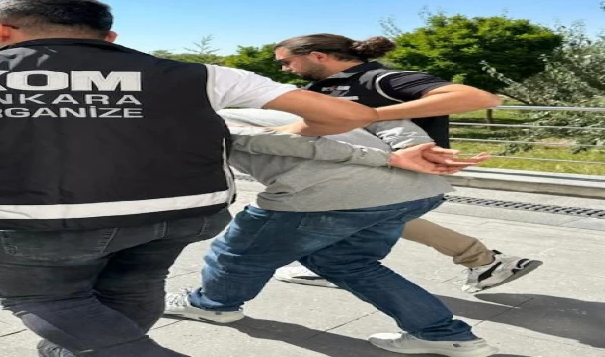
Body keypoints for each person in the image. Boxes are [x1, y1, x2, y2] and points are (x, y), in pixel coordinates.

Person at [0, 0, 380, 357]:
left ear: (1, 31)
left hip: (30, 222)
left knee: (49, 300)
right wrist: (298, 129)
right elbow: (348, 116)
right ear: (110, 38)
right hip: (177, 214)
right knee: (135, 286)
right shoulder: (203, 75)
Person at [165, 109, 499, 357]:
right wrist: (417, 147)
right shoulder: (274, 105)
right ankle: (445, 334)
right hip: (417, 190)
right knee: (348, 263)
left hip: (331, 194)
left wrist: (386, 158)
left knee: (238, 253)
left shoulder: (198, 120)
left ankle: (214, 305)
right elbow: (382, 118)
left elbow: (284, 142)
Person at [271, 34, 542, 293]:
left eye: (286, 62)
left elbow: (478, 98)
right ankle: (485, 261)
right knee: (358, 216)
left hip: (403, 166)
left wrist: (372, 114)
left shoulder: (379, 79)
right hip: (360, 166)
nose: (285, 69)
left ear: (318, 56)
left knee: (354, 215)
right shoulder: (323, 87)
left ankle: (483, 260)